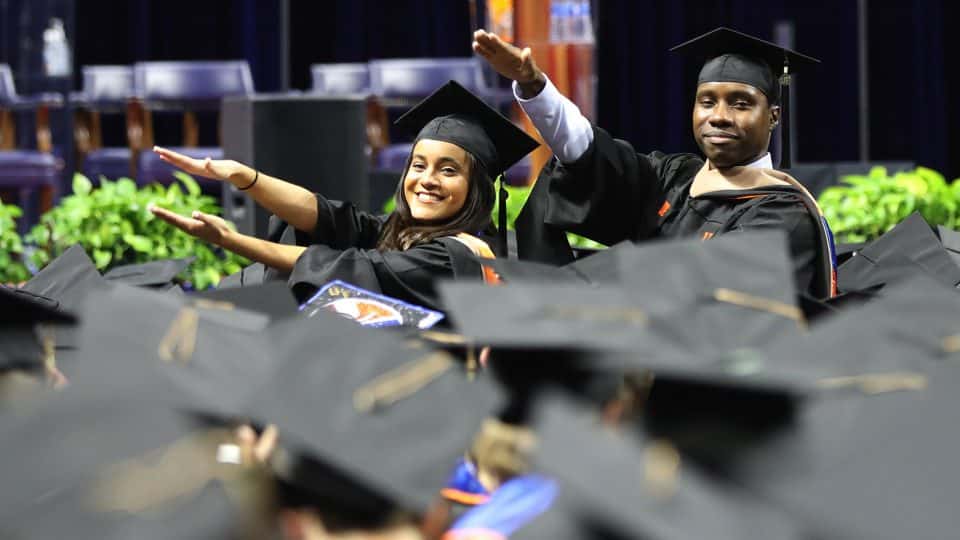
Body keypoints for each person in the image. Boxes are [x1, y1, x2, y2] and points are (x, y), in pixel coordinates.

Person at [472, 27, 837, 299]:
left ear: (773, 116)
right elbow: (589, 155)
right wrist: (536, 88)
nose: (720, 117)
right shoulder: (677, 177)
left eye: (740, 103)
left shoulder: (782, 213)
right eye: (707, 102)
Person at [150, 81, 538, 310]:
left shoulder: (457, 254)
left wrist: (231, 240)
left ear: (476, 189)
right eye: (418, 165)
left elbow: (347, 265)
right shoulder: (409, 231)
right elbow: (330, 218)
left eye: (448, 170)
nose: (427, 180)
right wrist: (244, 176)